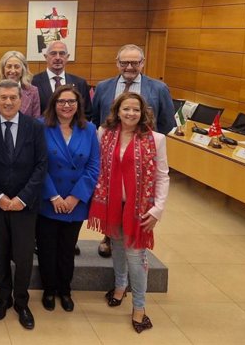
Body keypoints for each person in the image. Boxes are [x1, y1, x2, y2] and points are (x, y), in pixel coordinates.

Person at [88, 92, 170, 333]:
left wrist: (157, 209)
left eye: (135, 109)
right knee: (117, 246)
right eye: (126, 109)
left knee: (136, 257)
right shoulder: (104, 134)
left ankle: (139, 307)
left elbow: (162, 176)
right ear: (117, 111)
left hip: (140, 209)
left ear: (143, 112)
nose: (130, 113)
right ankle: (120, 286)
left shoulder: (156, 139)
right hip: (112, 205)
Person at [91, 44, 174, 257]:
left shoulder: (158, 88)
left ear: (142, 63)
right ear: (117, 63)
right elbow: (94, 119)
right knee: (114, 200)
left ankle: (133, 242)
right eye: (125, 62)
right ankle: (109, 237)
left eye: (134, 62)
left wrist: (143, 144)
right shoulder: (103, 87)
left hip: (140, 161)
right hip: (112, 156)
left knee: (134, 208)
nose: (129, 66)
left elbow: (165, 122)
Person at [0, 79, 47, 330]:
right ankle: (3, 298)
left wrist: (22, 198)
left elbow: (41, 165)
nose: (8, 102)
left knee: (23, 257)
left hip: (25, 205)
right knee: (0, 254)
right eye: (3, 98)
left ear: (22, 100)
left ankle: (21, 302)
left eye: (13, 98)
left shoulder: (35, 127)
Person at [36, 85, 99, 313]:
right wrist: (54, 196)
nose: (66, 106)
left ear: (78, 105)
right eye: (62, 101)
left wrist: (74, 197)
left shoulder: (89, 129)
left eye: (71, 101)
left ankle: (65, 289)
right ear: (54, 104)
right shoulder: (42, 127)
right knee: (46, 248)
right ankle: (49, 289)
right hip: (48, 199)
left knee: (67, 248)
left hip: (75, 201)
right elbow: (39, 165)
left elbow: (93, 167)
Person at [31, 40, 92, 120]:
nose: (57, 58)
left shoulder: (80, 83)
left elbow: (86, 113)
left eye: (62, 54)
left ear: (67, 57)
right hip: (42, 130)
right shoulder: (33, 82)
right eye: (53, 53)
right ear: (46, 57)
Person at [0, 50, 40, 119]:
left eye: (17, 67)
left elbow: (36, 121)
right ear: (3, 69)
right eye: (9, 66)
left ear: (23, 69)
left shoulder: (33, 91)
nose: (13, 71)